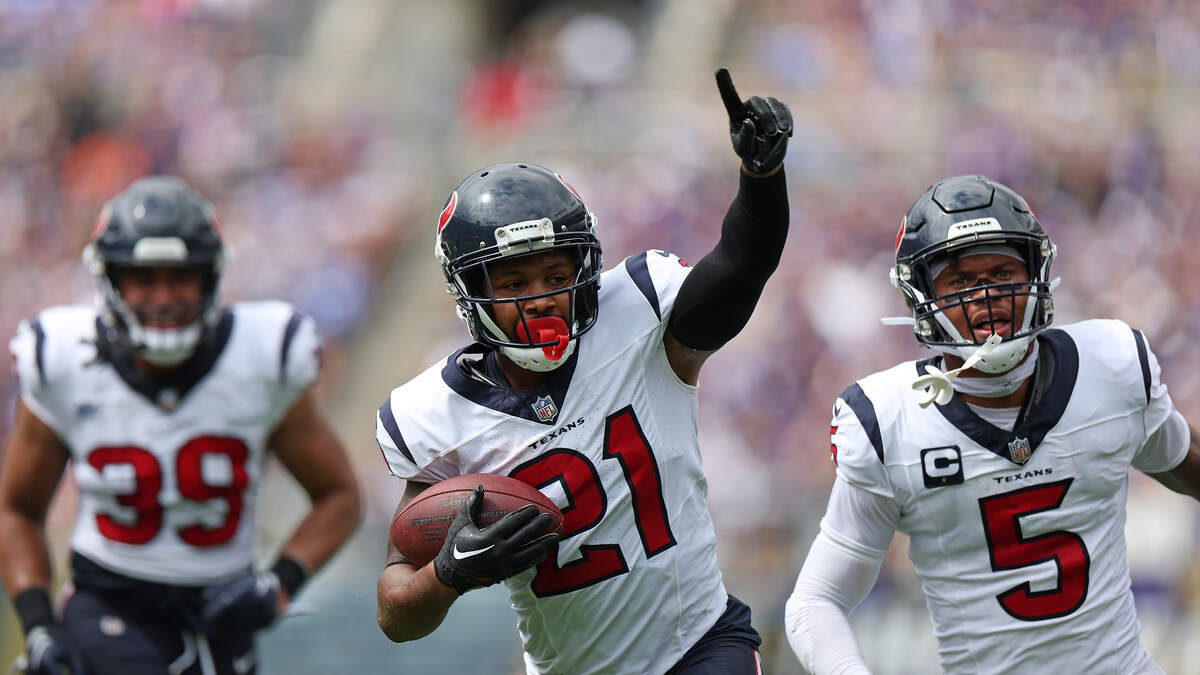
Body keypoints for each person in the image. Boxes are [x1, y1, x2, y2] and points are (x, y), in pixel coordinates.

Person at [374, 69, 791, 674]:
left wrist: (761, 179)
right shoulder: (434, 414)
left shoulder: (641, 320)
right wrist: (449, 572)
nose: (541, 297)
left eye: (554, 275)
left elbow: (741, 266)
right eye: (514, 283)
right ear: (470, 297)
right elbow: (396, 614)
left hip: (698, 644)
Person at [784, 174, 1200, 674]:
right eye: (960, 281)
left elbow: (1181, 461)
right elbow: (815, 601)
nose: (986, 295)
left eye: (1003, 272)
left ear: (1035, 276)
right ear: (920, 296)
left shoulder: (1112, 364)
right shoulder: (887, 420)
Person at [0, 176, 362, 675]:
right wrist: (38, 626)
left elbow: (339, 496)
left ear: (211, 277)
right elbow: (16, 509)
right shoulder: (62, 356)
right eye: (144, 279)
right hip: (110, 601)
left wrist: (277, 584)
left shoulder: (263, 353)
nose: (164, 296)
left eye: (180, 276)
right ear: (110, 281)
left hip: (224, 610)